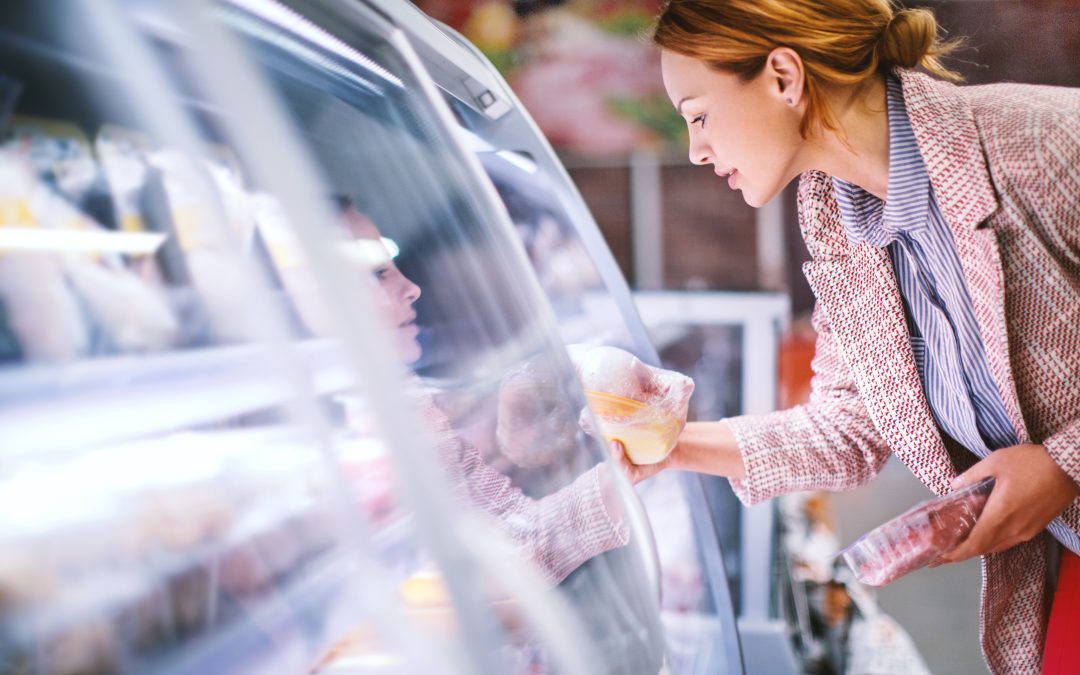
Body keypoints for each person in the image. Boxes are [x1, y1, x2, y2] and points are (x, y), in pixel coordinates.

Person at [612, 1, 1080, 673]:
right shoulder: (836, 217)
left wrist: (1064, 462)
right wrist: (665, 445)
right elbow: (851, 427)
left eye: (699, 115)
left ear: (782, 76)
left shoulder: (1036, 143)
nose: (695, 149)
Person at [337, 202, 630, 586]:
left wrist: (631, 468)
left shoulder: (406, 400)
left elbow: (523, 543)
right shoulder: (338, 419)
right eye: (378, 273)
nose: (412, 289)